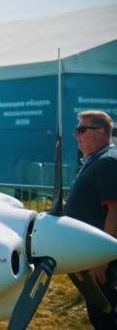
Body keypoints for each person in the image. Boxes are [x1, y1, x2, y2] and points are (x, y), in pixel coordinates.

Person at [65, 110, 117, 329]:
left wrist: (102, 257)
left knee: (107, 316)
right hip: (91, 255)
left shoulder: (107, 162)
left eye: (81, 130)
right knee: (100, 315)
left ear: (101, 132)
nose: (76, 135)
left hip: (103, 261)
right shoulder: (95, 161)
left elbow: (115, 210)